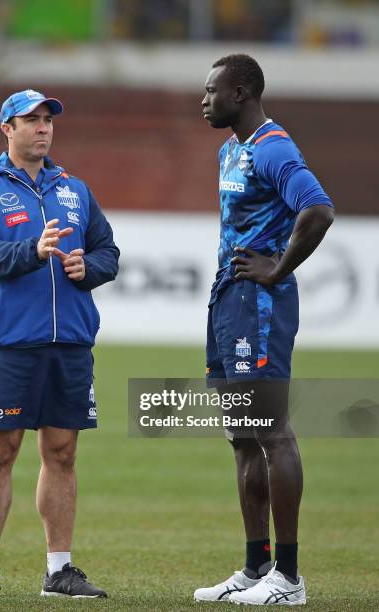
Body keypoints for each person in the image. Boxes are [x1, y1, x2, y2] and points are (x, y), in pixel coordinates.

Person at [0, 89, 119, 598]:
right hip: (10, 342)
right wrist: (34, 250)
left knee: (63, 451)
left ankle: (59, 571)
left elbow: (107, 250)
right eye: (32, 120)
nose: (43, 128)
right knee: (0, 448)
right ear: (7, 128)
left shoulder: (74, 188)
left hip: (70, 342)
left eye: (48, 120)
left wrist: (86, 267)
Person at [194, 55, 334, 605]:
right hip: (229, 301)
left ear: (243, 92)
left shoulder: (273, 146)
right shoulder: (232, 150)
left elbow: (317, 209)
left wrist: (279, 268)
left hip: (261, 306)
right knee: (243, 437)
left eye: (212, 90)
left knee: (273, 433)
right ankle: (255, 568)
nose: (203, 99)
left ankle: (289, 577)